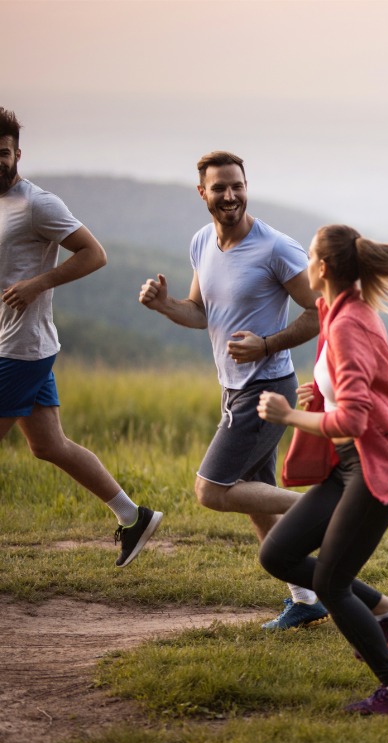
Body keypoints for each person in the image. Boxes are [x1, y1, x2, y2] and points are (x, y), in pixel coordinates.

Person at [256, 207, 388, 715]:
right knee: (278, 554)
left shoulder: (347, 325)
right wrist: (325, 391)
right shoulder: (348, 314)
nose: (308, 262)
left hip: (375, 469)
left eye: (310, 255)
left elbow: (357, 420)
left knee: (330, 584)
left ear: (321, 268)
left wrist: (290, 416)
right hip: (347, 467)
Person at [138, 151, 325, 629]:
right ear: (203, 193)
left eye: (237, 185)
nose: (230, 195)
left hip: (265, 387)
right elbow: (201, 313)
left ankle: (328, 506)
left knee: (212, 490)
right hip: (232, 386)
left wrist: (267, 344)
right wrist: (165, 306)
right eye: (219, 188)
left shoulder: (276, 248)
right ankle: (306, 599)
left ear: (247, 187)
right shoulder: (203, 242)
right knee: (256, 498)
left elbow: (319, 313)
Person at [0, 106, 162, 566]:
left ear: (17, 153)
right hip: (20, 343)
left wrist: (37, 284)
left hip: (21, 349)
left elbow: (95, 254)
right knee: (48, 445)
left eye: (3, 153)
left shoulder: (37, 204)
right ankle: (135, 517)